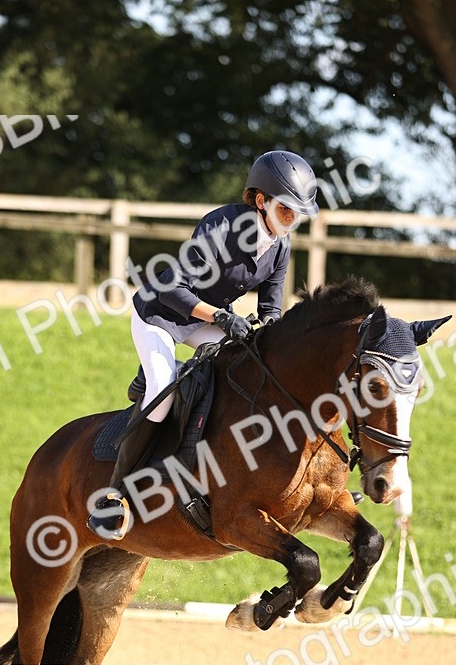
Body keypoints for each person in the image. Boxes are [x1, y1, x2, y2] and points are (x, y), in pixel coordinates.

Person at [87, 149, 320, 540]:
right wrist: (221, 317)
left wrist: (275, 342)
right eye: (285, 210)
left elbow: (270, 309)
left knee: (248, 365)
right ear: (261, 201)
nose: (291, 220)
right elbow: (171, 288)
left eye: (296, 214)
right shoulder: (222, 227)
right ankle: (116, 493)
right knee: (163, 392)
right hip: (160, 314)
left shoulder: (280, 246)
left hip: (206, 319)